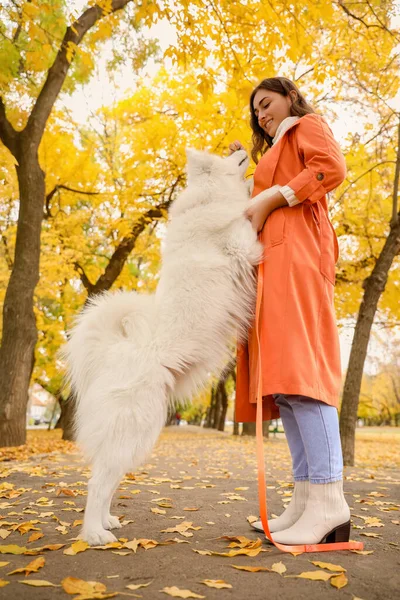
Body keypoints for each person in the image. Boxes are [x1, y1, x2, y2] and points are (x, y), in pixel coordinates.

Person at [229, 76, 351, 546]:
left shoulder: (307, 126)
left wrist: (271, 196)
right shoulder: (274, 151)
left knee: (303, 376)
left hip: (298, 261)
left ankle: (327, 501)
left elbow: (331, 168)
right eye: (256, 110)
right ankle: (305, 498)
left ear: (289, 98)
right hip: (273, 268)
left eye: (267, 102)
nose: (261, 114)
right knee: (284, 384)